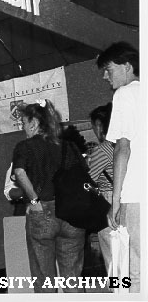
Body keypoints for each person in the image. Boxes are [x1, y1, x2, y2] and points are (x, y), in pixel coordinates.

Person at [12, 99, 85, 293]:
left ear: (34, 123)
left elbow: (19, 173)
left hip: (42, 211)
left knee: (44, 280)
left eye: (24, 123)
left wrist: (34, 200)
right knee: (72, 279)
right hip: (72, 214)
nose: (23, 127)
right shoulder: (68, 146)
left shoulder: (25, 146)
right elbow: (82, 176)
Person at [96, 41, 140, 293]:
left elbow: (122, 148)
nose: (105, 76)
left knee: (134, 272)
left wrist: (116, 201)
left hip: (136, 196)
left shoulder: (124, 94)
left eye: (109, 69)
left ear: (127, 67)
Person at [87, 103, 114, 284]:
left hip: (108, 201)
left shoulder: (102, 150)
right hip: (126, 197)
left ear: (99, 125)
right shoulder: (121, 145)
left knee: (112, 256)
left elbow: (87, 180)